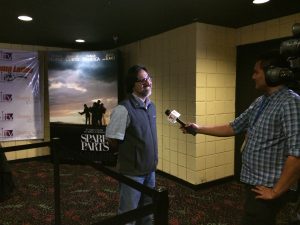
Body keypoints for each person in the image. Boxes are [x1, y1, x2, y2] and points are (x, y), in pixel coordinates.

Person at [181, 51, 300, 225]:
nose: (253, 77)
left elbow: (297, 154)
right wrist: (198, 129)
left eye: (256, 72)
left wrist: (276, 191)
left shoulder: (290, 102)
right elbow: (233, 126)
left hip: (268, 185)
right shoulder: (261, 101)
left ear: (272, 73)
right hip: (254, 181)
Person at [105, 65, 158, 225]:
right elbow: (112, 140)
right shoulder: (123, 109)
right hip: (132, 173)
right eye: (142, 80)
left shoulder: (151, 106)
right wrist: (130, 156)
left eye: (148, 78)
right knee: (129, 216)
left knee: (148, 213)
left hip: (150, 171)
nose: (147, 82)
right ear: (132, 85)